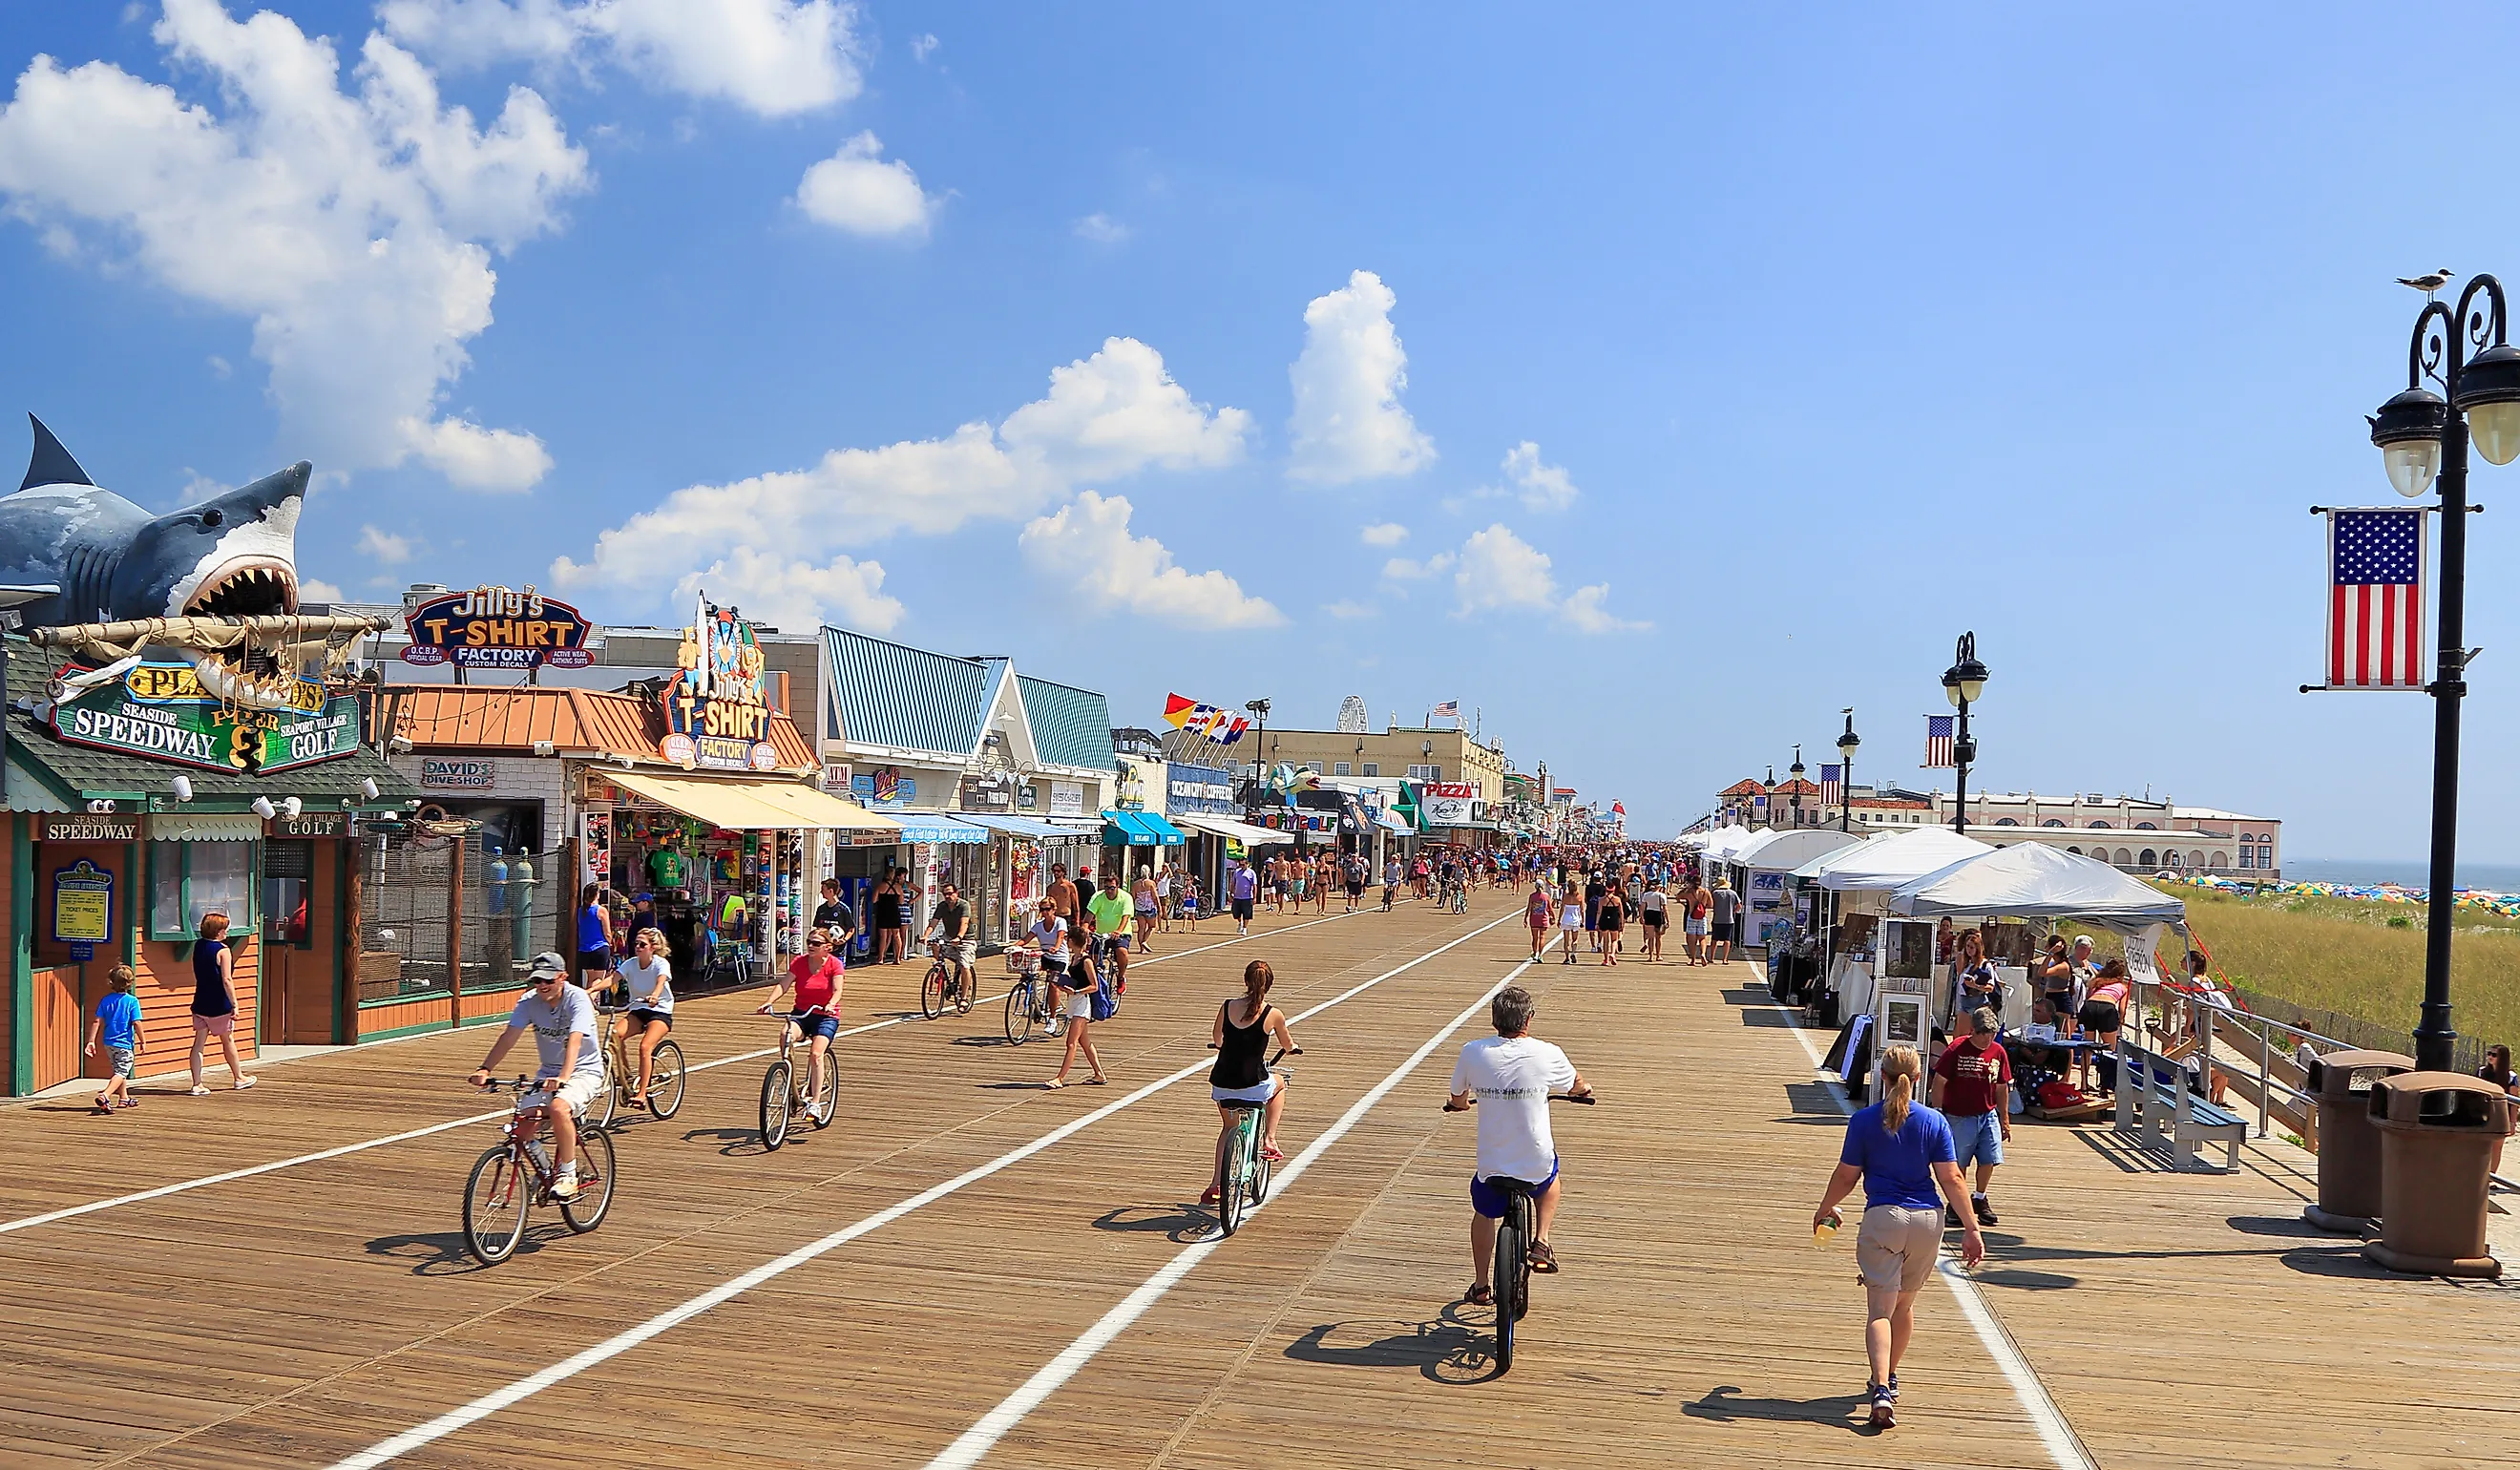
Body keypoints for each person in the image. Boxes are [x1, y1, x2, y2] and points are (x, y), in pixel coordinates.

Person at [1811, 1043, 1987, 1429]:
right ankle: (1889, 1375)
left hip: (1883, 1218)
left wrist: (1825, 1208)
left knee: (1880, 1311)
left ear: (1882, 1076)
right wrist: (1972, 1228)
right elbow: (1952, 1178)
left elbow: (1847, 1175)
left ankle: (1880, 1391)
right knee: (1904, 1308)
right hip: (1927, 1221)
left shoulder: (1863, 1121)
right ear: (1919, 1078)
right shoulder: (1934, 1122)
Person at [1448, 985, 1591, 1303]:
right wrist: (1581, 1091)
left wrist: (1461, 1104)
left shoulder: (1473, 1051)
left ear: (1494, 1020)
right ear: (1528, 1019)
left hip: (1492, 1163)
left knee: (1484, 1214)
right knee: (1551, 1177)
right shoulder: (1548, 1053)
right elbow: (1576, 1084)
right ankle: (1541, 1240)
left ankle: (1481, 1284)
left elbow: (1458, 1097)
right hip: (1534, 1161)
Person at [470, 952, 604, 1200]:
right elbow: (509, 1036)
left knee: (558, 1108)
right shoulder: (529, 1001)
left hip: (584, 1070)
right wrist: (485, 1068)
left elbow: (575, 1040)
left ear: (563, 977)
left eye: (548, 980)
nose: (542, 986)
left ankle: (568, 1174)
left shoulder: (578, 1000)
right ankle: (544, 1172)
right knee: (522, 1127)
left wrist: (564, 1077)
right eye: (536, 980)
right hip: (548, 1073)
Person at [1204, 959, 1301, 1205]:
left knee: (1228, 1127)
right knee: (1279, 1083)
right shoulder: (1273, 1014)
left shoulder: (1227, 1007)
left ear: (1245, 981)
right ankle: (1269, 1137)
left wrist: (1223, 1045)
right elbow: (1287, 1044)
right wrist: (1293, 1049)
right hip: (1253, 1084)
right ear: (1268, 985)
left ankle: (1217, 1182)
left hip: (1223, 1082)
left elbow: (1217, 1038)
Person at [1930, 1007, 2013, 1228]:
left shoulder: (1998, 1052)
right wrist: (1939, 1113)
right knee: (1960, 1161)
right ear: (1972, 1031)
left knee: (1989, 1158)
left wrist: (2004, 1119)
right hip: (1958, 1115)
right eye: (1982, 1033)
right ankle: (1957, 1203)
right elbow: (1939, 1081)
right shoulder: (1957, 1049)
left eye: (1991, 1034)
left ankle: (1979, 1197)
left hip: (1987, 1114)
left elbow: (2002, 1087)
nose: (1987, 1038)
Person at [758, 928, 846, 1123]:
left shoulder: (834, 965)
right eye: (809, 942)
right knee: (785, 1034)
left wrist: (831, 1004)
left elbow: (838, 989)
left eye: (816, 943)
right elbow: (784, 984)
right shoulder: (799, 962)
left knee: (816, 1054)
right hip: (802, 1013)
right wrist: (769, 1001)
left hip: (825, 1016)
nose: (811, 946)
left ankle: (815, 1103)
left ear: (827, 947)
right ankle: (789, 1079)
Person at [188, 912, 256, 1095]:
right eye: (224, 928)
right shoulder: (223, 950)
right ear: (218, 931)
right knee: (228, 1040)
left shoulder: (199, 946)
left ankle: (197, 1084)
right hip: (219, 1003)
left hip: (200, 1001)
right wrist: (235, 1004)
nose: (227, 932)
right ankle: (239, 1077)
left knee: (198, 1044)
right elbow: (227, 979)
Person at [611, 927, 676, 1108]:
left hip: (660, 1010)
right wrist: (591, 991)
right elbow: (612, 979)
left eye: (642, 944)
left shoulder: (660, 964)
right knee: (614, 1035)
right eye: (636, 944)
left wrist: (655, 995)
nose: (638, 947)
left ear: (652, 947)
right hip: (638, 1009)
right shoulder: (631, 964)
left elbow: (661, 981)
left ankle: (642, 1093)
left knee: (645, 1047)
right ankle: (625, 1075)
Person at [1046, 913, 1107, 1088]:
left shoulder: (1086, 961)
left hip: (1082, 1003)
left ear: (1073, 941)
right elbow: (1072, 978)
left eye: (1068, 939)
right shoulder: (1074, 959)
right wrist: (1060, 982)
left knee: (1071, 1042)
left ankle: (1060, 1078)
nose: (1066, 941)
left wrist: (1077, 990)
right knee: (1084, 1042)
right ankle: (1099, 1074)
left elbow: (1094, 985)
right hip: (1074, 1001)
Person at [85, 964, 143, 1114]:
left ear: (111, 982)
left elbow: (97, 1021)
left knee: (118, 1070)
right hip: (124, 1043)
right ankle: (105, 1095)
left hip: (108, 1043)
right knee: (122, 1072)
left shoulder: (106, 1000)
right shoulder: (132, 1001)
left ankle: (124, 1098)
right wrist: (143, 1040)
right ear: (130, 983)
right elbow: (136, 1023)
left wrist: (91, 1041)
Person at [2078, 959, 2132, 1094]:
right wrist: (2121, 1020)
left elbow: (2088, 997)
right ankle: (2105, 1085)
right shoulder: (2123, 987)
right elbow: (2122, 1009)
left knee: (2088, 1047)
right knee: (2109, 1050)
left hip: (2089, 1006)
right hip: (2107, 1008)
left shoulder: (2097, 983)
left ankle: (2084, 1084)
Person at [1087, 870, 1135, 991]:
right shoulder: (1098, 896)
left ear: (1117, 887)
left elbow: (1126, 916)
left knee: (1121, 952)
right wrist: (1085, 928)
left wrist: (1118, 931)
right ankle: (1097, 978)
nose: (1109, 891)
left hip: (1121, 933)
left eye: (1112, 888)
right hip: (1101, 934)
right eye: (1107, 887)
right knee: (1092, 956)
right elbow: (1088, 916)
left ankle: (1120, 977)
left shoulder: (1125, 897)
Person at [932, 881, 975, 1002]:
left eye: (950, 893)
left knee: (964, 966)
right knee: (935, 945)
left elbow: (964, 923)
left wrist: (960, 937)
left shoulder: (963, 905)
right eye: (945, 894)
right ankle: (941, 971)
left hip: (966, 939)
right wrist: (925, 935)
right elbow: (934, 922)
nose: (948, 897)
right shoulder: (942, 906)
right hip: (949, 936)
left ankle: (964, 998)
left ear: (956, 893)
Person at [1947, 928, 2000, 1028]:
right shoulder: (1966, 963)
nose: (1969, 949)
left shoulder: (1985, 965)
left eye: (1972, 947)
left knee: (1975, 1031)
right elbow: (1960, 975)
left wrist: (1975, 985)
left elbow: (1990, 987)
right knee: (1960, 1033)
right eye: (1967, 946)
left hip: (1978, 1002)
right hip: (1964, 1001)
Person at [2478, 1043, 2516, 1177]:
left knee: (2496, 1147)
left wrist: (2512, 1122)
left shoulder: (2511, 1077)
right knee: (2482, 1144)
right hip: (2483, 1112)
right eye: (2489, 1053)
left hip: (2501, 1113)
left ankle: (2492, 1176)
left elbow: (2514, 1101)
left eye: (2494, 1055)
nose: (2490, 1057)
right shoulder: (2482, 1072)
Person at [574, 882, 615, 994]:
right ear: (597, 894)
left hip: (584, 949)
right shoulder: (601, 910)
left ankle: (588, 1004)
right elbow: (607, 933)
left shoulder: (581, 911)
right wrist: (611, 944)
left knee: (590, 980)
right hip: (600, 947)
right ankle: (589, 1002)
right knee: (598, 980)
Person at [2036, 935, 2077, 1035]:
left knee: (2062, 1033)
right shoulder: (2054, 963)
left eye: (2047, 945)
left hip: (2060, 999)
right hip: (2050, 997)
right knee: (2049, 1031)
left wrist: (2050, 953)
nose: (2045, 947)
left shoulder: (2063, 966)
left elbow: (2042, 972)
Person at [811, 879, 858, 955]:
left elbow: (851, 929)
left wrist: (844, 939)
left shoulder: (843, 909)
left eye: (823, 890)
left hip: (839, 950)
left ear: (831, 891)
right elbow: (817, 928)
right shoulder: (821, 909)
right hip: (824, 949)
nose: (821, 892)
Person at [874, 871, 909, 965]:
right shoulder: (898, 887)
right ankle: (897, 958)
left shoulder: (880, 886)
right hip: (894, 912)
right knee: (896, 935)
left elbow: (874, 900)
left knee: (883, 937)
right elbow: (901, 902)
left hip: (883, 912)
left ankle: (881, 958)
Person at [1709, 877, 1739, 964]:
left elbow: (1710, 904)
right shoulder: (1733, 893)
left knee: (1714, 939)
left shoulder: (1714, 893)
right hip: (1729, 920)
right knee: (1727, 940)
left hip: (1717, 919)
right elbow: (1739, 906)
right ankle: (1725, 959)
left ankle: (1711, 958)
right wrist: (1733, 911)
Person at [1638, 876, 1668, 962]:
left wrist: (1641, 916)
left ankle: (1651, 956)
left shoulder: (1646, 895)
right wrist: (1668, 920)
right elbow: (1665, 909)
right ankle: (1658, 955)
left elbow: (1642, 907)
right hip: (1658, 914)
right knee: (1658, 937)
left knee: (1651, 937)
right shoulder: (1662, 896)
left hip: (1649, 914)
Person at [1596, 884, 1625, 967]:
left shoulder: (1601, 900)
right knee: (1614, 939)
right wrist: (1621, 923)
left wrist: (1597, 923)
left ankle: (1606, 959)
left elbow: (1599, 912)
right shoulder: (1617, 899)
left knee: (1605, 941)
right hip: (1614, 920)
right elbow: (1621, 913)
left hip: (1604, 920)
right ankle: (1612, 954)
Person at [1525, 881, 1555, 963]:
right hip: (1544, 919)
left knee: (1535, 938)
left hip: (1534, 919)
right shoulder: (1546, 896)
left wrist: (1525, 918)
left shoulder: (1532, 896)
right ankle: (1540, 955)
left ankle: (1535, 953)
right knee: (1542, 937)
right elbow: (1550, 908)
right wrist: (1554, 917)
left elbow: (1529, 908)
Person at [1683, 880, 1712, 965]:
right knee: (1702, 938)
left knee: (1691, 940)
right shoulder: (1706, 892)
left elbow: (1678, 896)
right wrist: (1702, 906)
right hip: (1702, 917)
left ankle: (1693, 959)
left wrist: (1684, 904)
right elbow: (1711, 904)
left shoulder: (1689, 892)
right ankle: (1702, 954)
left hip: (1692, 916)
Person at [1132, 870, 1160, 953]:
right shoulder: (1151, 883)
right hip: (1149, 908)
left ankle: (1142, 949)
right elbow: (1155, 897)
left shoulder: (1135, 884)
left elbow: (1133, 896)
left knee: (1141, 928)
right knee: (1152, 926)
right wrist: (1159, 907)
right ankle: (1145, 941)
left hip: (1139, 908)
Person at [1230, 858, 1258, 936]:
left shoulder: (1251, 873)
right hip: (1237, 896)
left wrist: (1255, 897)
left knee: (1247, 913)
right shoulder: (1237, 872)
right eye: (1240, 864)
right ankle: (1240, 922)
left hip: (1247, 897)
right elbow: (1233, 883)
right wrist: (1231, 893)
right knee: (1236, 913)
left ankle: (1245, 928)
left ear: (1247, 864)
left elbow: (1254, 886)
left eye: (1243, 864)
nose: (1242, 866)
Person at [1558, 881, 1584, 964]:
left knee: (1566, 940)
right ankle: (1573, 952)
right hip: (1575, 919)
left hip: (1566, 919)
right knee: (1575, 939)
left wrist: (1559, 919)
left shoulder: (1565, 897)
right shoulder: (1579, 897)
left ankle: (1567, 958)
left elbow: (1562, 908)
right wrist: (1583, 920)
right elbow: (1582, 910)